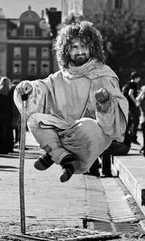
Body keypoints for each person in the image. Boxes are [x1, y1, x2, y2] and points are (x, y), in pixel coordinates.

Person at [15, 20, 128, 183]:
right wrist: (29, 88)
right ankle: (64, 158)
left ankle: (54, 153)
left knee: (86, 125)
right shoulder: (60, 77)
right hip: (66, 128)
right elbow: (42, 88)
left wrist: (105, 105)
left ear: (92, 48)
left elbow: (116, 118)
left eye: (84, 46)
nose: (80, 51)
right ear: (66, 50)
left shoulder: (104, 75)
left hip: (92, 132)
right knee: (34, 120)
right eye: (75, 47)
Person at [0, 77, 14, 154]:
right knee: (9, 131)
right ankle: (9, 147)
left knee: (0, 131)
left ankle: (1, 147)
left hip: (0, 114)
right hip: (9, 114)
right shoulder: (11, 92)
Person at [127, 72, 141, 145]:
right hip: (132, 106)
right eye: (138, 77)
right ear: (135, 78)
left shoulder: (129, 84)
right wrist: (135, 102)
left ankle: (128, 136)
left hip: (129, 106)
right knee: (136, 121)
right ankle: (133, 137)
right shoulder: (133, 84)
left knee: (130, 121)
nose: (139, 79)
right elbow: (130, 93)